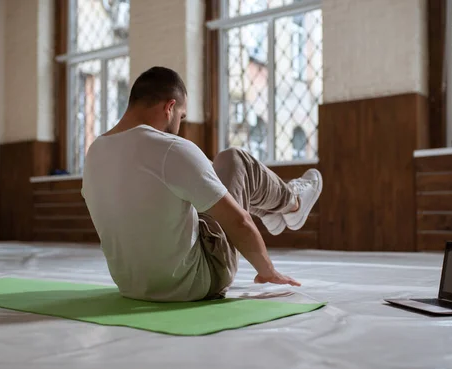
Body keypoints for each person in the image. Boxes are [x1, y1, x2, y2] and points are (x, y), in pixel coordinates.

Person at [82, 66, 322, 302]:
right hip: (197, 283)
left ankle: (270, 209)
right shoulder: (170, 148)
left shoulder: (94, 153)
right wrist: (268, 270)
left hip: (131, 287)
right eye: (182, 116)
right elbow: (239, 221)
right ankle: (293, 204)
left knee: (200, 176)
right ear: (170, 107)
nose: (180, 124)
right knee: (234, 159)